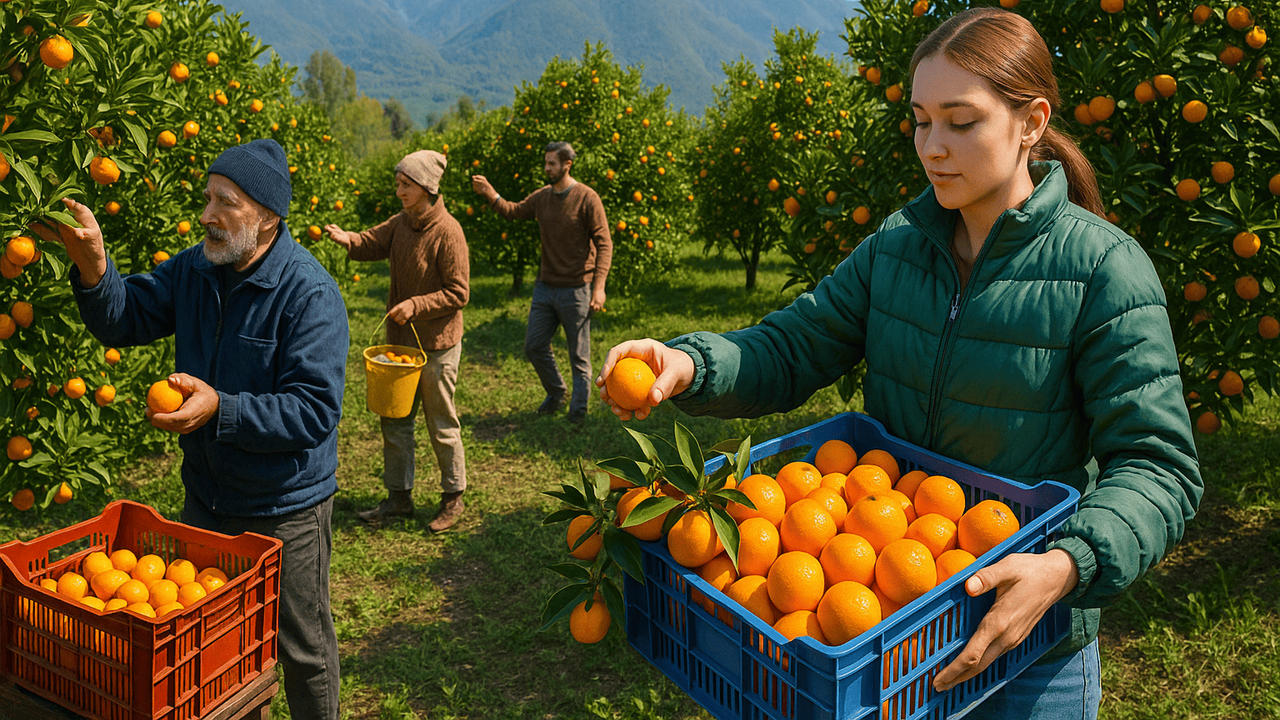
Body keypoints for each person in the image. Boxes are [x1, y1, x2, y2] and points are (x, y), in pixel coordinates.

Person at [596, 9, 1201, 720]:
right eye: (920, 121)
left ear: (1031, 122)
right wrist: (690, 362)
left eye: (960, 121)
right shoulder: (897, 248)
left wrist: (1066, 565)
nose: (932, 148)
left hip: (1028, 637)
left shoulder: (1102, 269)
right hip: (886, 632)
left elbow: (1159, 466)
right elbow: (793, 345)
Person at [34, 139, 346, 720]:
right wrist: (94, 267)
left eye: (224, 202)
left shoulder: (309, 294)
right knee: (217, 649)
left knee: (301, 651)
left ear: (267, 216)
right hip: (206, 495)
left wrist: (220, 409)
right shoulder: (198, 268)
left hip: (283, 508)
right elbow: (126, 317)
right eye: (207, 198)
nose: (205, 215)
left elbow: (313, 411)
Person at [323, 150, 471, 533]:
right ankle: (399, 497)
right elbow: (373, 242)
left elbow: (459, 292)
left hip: (437, 345)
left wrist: (416, 304)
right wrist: (348, 239)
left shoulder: (449, 232)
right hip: (401, 344)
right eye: (399, 184)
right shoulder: (403, 223)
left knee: (440, 422)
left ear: (426, 188)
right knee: (395, 420)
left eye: (406, 185)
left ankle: (452, 496)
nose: (399, 191)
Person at [470, 141, 612, 424]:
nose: (547, 168)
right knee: (534, 345)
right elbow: (512, 211)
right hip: (546, 287)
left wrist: (599, 287)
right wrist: (490, 194)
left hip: (577, 288)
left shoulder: (587, 198)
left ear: (567, 165)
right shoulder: (542, 197)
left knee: (579, 355)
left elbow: (604, 243)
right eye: (546, 163)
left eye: (552, 164)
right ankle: (557, 392)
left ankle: (578, 412)